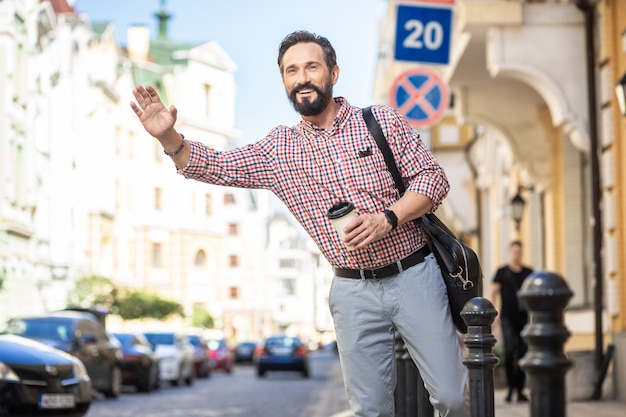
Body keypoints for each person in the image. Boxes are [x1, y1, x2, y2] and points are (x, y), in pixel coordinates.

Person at [130, 30, 468, 417]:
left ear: (333, 72)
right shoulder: (279, 149)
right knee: (370, 410)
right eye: (292, 70)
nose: (302, 77)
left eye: (311, 66)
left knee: (452, 398)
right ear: (285, 82)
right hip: (351, 289)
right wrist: (168, 136)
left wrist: (387, 218)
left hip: (413, 273)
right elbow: (217, 166)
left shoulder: (380, 122)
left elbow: (432, 178)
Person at [490, 240, 533, 403]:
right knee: (509, 352)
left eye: (519, 252)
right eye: (514, 252)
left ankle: (520, 390)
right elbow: (493, 293)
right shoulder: (502, 272)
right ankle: (510, 388)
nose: (517, 255)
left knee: (523, 353)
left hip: (524, 319)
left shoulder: (528, 272)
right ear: (509, 253)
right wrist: (494, 316)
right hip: (507, 318)